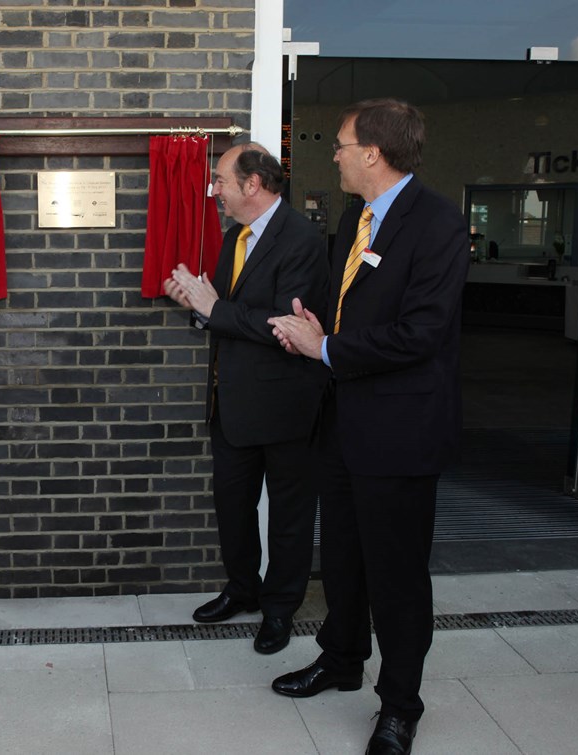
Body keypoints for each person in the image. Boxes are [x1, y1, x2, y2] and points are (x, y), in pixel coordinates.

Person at [268, 99, 469, 755]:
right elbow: (350, 304)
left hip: (400, 431)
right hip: (343, 422)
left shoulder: (436, 223)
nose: (334, 152)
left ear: (373, 154)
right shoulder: (358, 216)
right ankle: (341, 657)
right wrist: (312, 321)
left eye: (342, 143)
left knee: (397, 576)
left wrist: (324, 348)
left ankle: (399, 706)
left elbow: (422, 332)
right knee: (346, 562)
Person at [163, 143, 329, 655]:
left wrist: (216, 308)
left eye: (221, 180)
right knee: (231, 508)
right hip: (231, 405)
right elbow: (228, 314)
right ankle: (242, 589)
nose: (215, 191)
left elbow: (288, 325)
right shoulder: (235, 237)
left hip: (286, 408)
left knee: (288, 517)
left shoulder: (302, 238)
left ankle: (280, 609)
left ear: (252, 184)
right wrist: (198, 306)